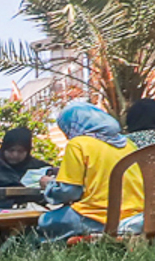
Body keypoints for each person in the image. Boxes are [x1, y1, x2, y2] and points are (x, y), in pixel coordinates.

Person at [41, 102, 138, 239]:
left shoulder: (78, 144)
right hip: (137, 216)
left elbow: (69, 192)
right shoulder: (129, 144)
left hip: (98, 218)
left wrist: (49, 185)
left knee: (45, 221)